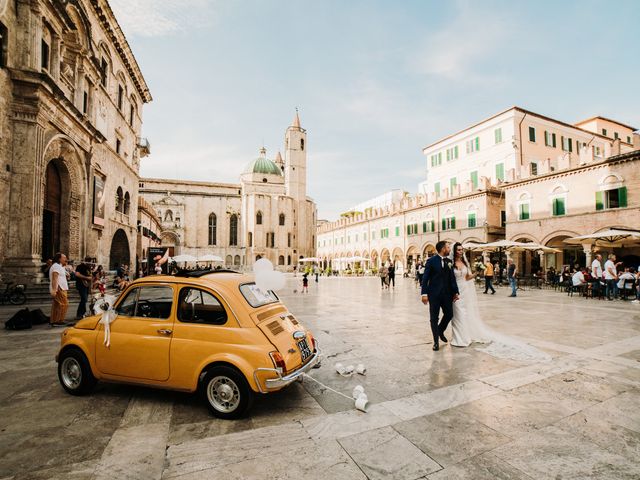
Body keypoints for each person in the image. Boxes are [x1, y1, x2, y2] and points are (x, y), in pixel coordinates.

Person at [421, 241, 459, 351]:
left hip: (447, 294)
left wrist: (455, 291)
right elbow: (425, 278)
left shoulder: (449, 261)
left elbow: (452, 278)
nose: (449, 249)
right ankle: (436, 342)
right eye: (448, 247)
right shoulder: (431, 261)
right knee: (434, 318)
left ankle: (440, 330)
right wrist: (424, 294)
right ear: (443, 249)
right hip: (434, 295)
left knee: (449, 314)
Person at [49, 252, 69, 327]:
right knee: (64, 304)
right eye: (64, 258)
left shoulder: (58, 266)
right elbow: (55, 278)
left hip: (61, 287)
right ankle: (59, 320)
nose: (66, 259)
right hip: (59, 287)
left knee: (57, 305)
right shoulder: (56, 266)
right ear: (59, 259)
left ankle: (54, 320)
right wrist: (54, 290)